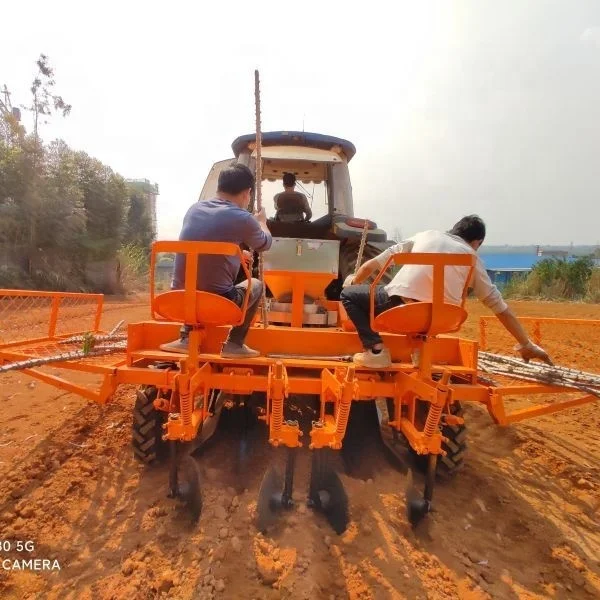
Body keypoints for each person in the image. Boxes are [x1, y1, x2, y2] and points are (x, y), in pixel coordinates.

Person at [340, 215, 553, 369]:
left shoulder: (425, 236)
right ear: (477, 241)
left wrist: (352, 280)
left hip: (401, 310)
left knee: (349, 296)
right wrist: (526, 343)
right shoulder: (472, 258)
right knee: (429, 305)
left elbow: (372, 266)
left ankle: (376, 351)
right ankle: (419, 354)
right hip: (443, 319)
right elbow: (500, 308)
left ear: (454, 229)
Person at [160, 163, 272, 358]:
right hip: (218, 304)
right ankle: (234, 344)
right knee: (256, 284)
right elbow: (264, 244)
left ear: (219, 187)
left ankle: (186, 338)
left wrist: (237, 253)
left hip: (179, 299)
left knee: (195, 275)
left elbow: (206, 246)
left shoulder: (194, 209)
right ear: (247, 193)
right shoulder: (243, 218)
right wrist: (262, 222)